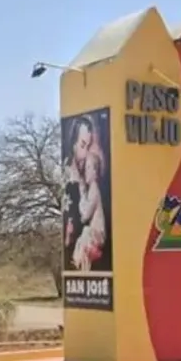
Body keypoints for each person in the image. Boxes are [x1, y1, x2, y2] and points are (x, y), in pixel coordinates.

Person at [64, 115, 107, 271]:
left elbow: (84, 214)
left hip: (95, 234)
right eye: (83, 145)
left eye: (88, 146)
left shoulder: (93, 188)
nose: (86, 153)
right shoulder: (70, 177)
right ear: (73, 144)